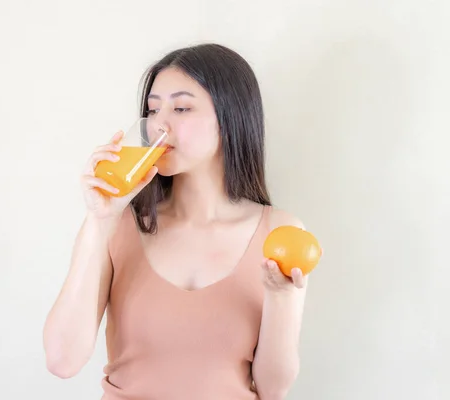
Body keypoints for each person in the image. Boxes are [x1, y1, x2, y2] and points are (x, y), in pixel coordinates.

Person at [43, 43, 314, 400]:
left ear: (230, 117)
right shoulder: (116, 227)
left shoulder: (280, 233)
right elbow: (62, 361)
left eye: (181, 108)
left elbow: (272, 388)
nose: (159, 125)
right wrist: (99, 220)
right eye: (153, 110)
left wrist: (280, 298)